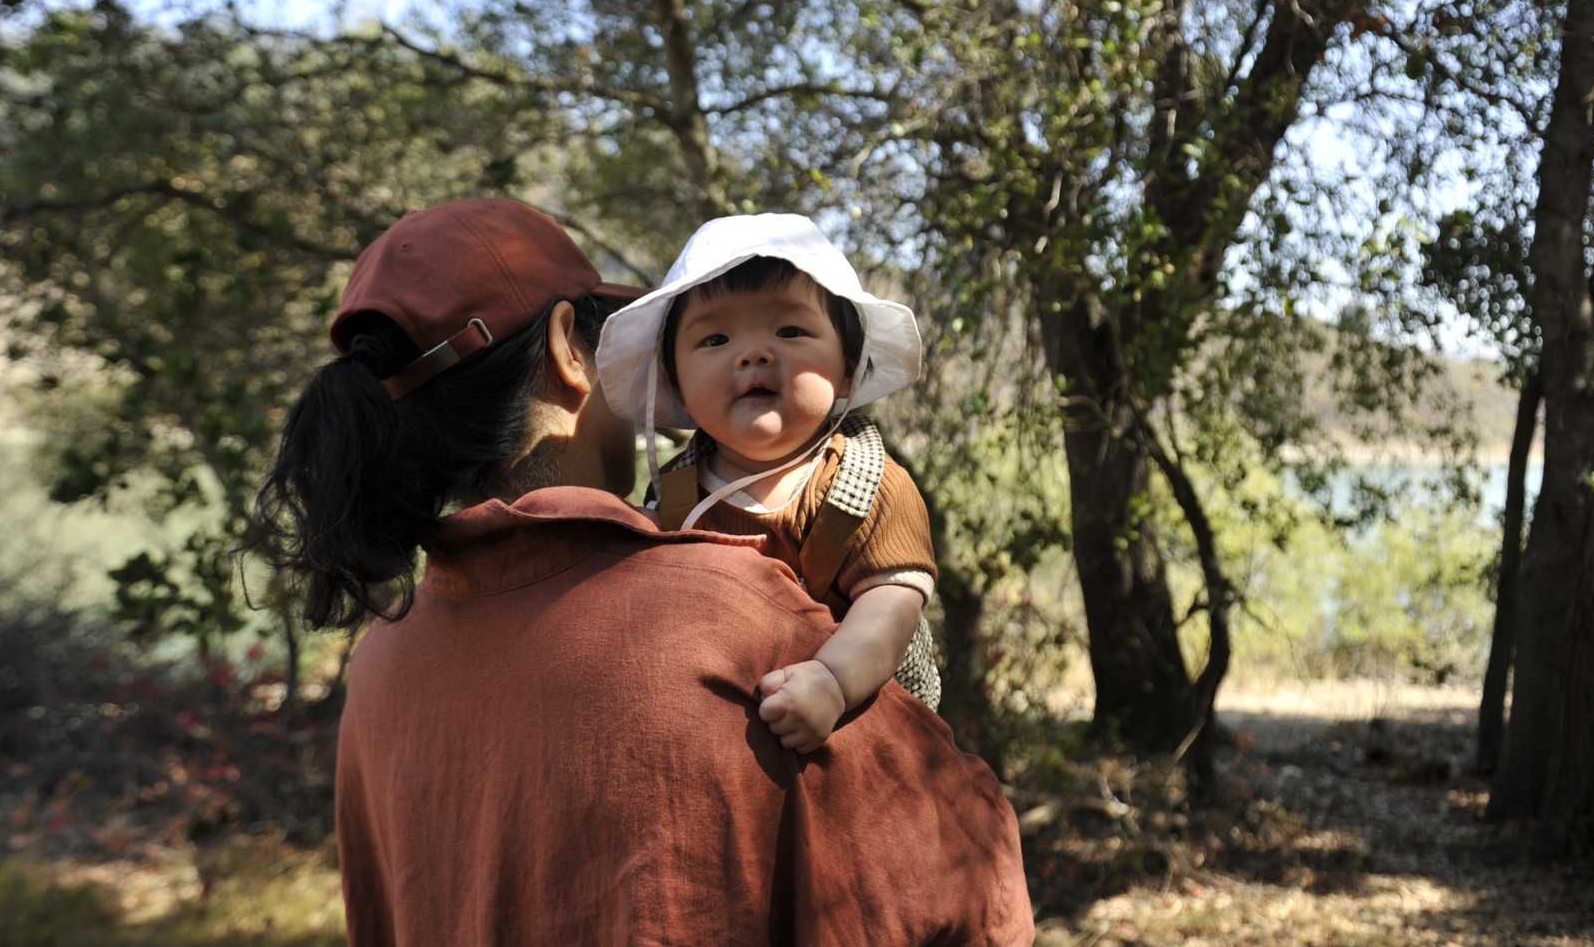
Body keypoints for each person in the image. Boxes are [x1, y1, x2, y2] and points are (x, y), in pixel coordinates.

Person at [249, 198, 1034, 946]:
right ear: (568, 350)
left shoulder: (385, 662)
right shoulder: (730, 624)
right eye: (710, 341)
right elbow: (969, 888)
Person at [595, 213, 939, 754]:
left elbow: (893, 605)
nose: (753, 353)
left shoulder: (869, 486)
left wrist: (832, 681)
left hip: (852, 730)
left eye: (790, 331)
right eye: (714, 338)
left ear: (848, 369)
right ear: (677, 385)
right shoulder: (675, 496)